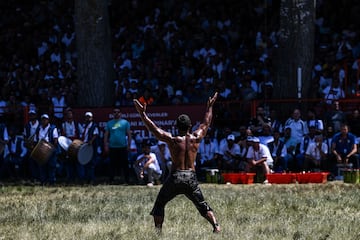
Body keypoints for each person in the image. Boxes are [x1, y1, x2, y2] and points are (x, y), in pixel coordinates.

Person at [133, 92, 220, 233]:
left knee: (160, 204)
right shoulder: (196, 138)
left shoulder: (172, 140)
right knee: (202, 204)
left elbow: (154, 130)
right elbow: (205, 123)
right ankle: (216, 226)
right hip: (191, 177)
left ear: (176, 126)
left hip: (175, 177)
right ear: (190, 126)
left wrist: (143, 115)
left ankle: (158, 231)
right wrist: (209, 107)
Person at [103, 107, 132, 184]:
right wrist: (105, 145)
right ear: (112, 114)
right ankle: (111, 180)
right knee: (112, 164)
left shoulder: (125, 123)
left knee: (125, 164)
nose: (116, 113)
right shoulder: (109, 123)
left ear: (121, 113)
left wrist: (129, 145)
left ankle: (127, 180)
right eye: (114, 112)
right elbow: (106, 135)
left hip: (123, 146)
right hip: (112, 147)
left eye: (118, 112)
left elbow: (129, 134)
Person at [80, 111, 99, 184]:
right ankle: (86, 179)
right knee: (85, 163)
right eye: (86, 117)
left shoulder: (94, 126)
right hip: (84, 146)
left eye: (89, 117)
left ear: (92, 118)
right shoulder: (83, 126)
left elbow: (95, 134)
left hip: (91, 147)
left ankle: (91, 179)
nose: (88, 118)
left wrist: (91, 141)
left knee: (91, 164)